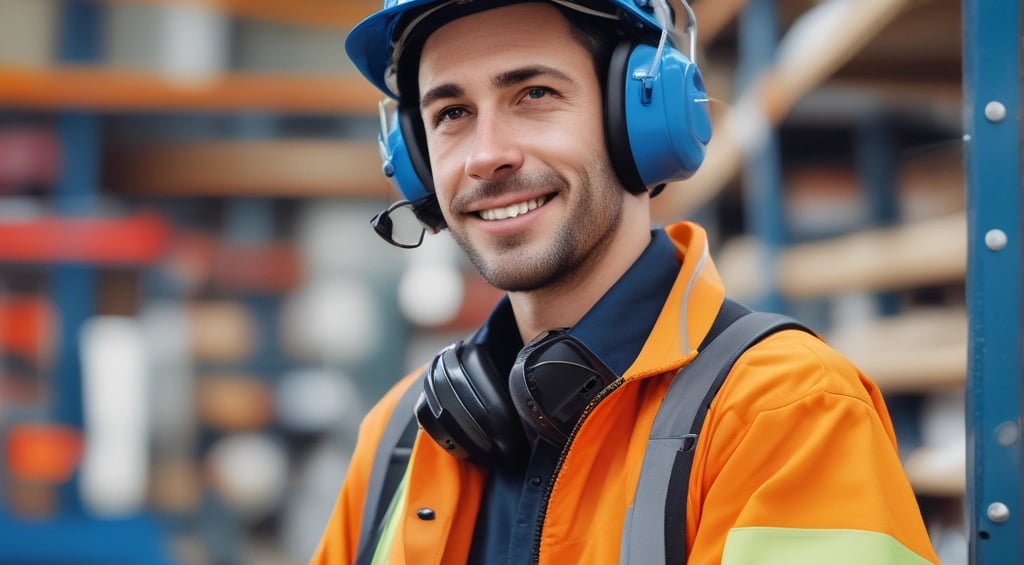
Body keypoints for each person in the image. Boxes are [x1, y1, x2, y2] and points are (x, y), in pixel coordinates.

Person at [312, 1, 941, 563]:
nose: (485, 155)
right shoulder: (399, 435)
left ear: (640, 115)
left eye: (533, 94)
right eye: (451, 112)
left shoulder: (788, 412)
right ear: (417, 162)